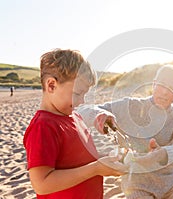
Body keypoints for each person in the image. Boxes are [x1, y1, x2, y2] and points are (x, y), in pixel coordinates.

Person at [78, 65, 173, 199]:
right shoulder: (130, 106)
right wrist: (98, 114)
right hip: (136, 186)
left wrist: (162, 154)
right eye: (162, 85)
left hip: (171, 184)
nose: (165, 92)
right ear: (154, 83)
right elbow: (80, 111)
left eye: (172, 89)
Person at [23, 49, 127, 199]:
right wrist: (95, 169)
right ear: (51, 85)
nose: (82, 101)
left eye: (84, 94)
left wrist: (108, 160)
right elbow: (42, 184)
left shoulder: (75, 117)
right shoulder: (43, 126)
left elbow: (78, 159)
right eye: (77, 93)